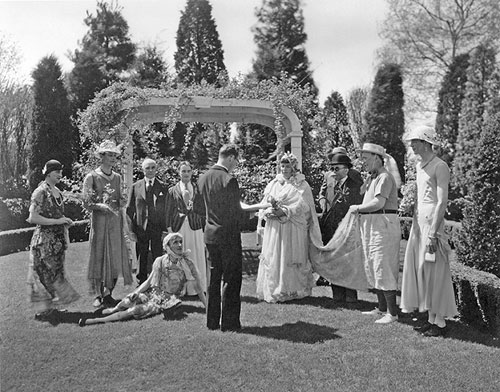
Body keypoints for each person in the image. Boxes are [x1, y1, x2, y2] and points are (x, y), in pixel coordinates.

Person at [400, 125, 458, 337]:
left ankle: (440, 322)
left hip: (432, 224)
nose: (412, 145)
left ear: (426, 142)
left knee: (435, 270)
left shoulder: (440, 166)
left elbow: (442, 201)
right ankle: (431, 318)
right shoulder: (419, 166)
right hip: (419, 223)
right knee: (423, 269)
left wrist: (433, 232)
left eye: (414, 142)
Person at [79, 232, 207, 327]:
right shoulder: (160, 261)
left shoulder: (187, 263)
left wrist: (207, 308)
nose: (179, 245)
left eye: (180, 242)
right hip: (153, 293)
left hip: (166, 301)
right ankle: (111, 310)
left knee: (133, 310)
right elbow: (149, 281)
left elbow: (199, 288)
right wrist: (136, 292)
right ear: (167, 246)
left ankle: (95, 321)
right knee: (129, 300)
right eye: (175, 242)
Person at [193, 144, 249, 332]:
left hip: (210, 235)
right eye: (236, 161)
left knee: (213, 278)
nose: (236, 165)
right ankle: (229, 323)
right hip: (228, 236)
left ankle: (211, 321)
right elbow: (236, 214)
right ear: (231, 158)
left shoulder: (202, 178)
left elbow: (198, 209)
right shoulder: (229, 180)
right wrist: (250, 215)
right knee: (231, 279)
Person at [348, 143, 401, 324]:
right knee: (373, 264)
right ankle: (381, 308)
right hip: (373, 224)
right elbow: (365, 194)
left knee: (382, 264)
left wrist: (357, 208)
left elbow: (378, 203)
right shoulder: (374, 177)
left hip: (383, 223)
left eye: (366, 158)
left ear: (377, 158)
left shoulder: (385, 177)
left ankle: (392, 313)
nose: (363, 162)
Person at [255, 152, 318, 303]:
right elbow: (264, 202)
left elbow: (304, 205)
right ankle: (276, 288)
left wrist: (286, 211)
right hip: (276, 228)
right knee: (276, 255)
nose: (284, 169)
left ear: (294, 167)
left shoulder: (301, 184)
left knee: (290, 255)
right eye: (282, 166)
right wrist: (269, 212)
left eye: (287, 166)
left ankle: (293, 289)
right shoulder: (273, 184)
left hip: (293, 227)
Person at [27, 160, 80, 321]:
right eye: (57, 172)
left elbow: (56, 216)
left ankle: (52, 309)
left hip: (57, 242)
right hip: (43, 242)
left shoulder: (57, 191)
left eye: (61, 171)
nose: (60, 175)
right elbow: (33, 217)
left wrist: (64, 220)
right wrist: (57, 222)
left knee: (55, 274)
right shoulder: (40, 192)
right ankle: (44, 312)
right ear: (48, 172)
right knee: (43, 274)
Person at [83, 140, 133, 308]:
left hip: (114, 222)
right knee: (98, 256)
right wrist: (100, 206)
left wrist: (123, 201)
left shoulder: (118, 177)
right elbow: (87, 203)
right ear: (102, 156)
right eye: (110, 155)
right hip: (99, 222)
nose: (113, 158)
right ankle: (98, 295)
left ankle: (108, 292)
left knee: (114, 256)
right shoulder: (91, 177)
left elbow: (120, 202)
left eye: (114, 155)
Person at [318, 150, 363, 303]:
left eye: (336, 168)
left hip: (347, 226)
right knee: (333, 260)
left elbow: (356, 203)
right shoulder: (331, 180)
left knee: (347, 261)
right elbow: (322, 194)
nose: (333, 172)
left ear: (346, 169)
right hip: (330, 225)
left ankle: (350, 295)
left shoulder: (354, 183)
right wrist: (323, 204)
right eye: (332, 168)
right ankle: (337, 294)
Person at [166, 161, 207, 295]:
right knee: (180, 256)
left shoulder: (198, 189)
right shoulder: (172, 190)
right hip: (179, 227)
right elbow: (168, 211)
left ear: (192, 172)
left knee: (196, 255)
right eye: (183, 171)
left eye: (188, 171)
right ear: (179, 172)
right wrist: (170, 230)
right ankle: (181, 289)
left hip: (195, 226)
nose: (186, 174)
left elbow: (203, 209)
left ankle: (198, 289)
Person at [127, 158, 167, 285]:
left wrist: (165, 230)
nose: (150, 170)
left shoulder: (163, 187)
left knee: (158, 256)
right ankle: (141, 283)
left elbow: (167, 210)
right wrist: (131, 231)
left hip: (157, 228)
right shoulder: (135, 187)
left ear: (156, 169)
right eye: (147, 168)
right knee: (142, 256)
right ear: (142, 170)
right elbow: (129, 210)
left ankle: (158, 282)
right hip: (141, 228)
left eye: (153, 167)